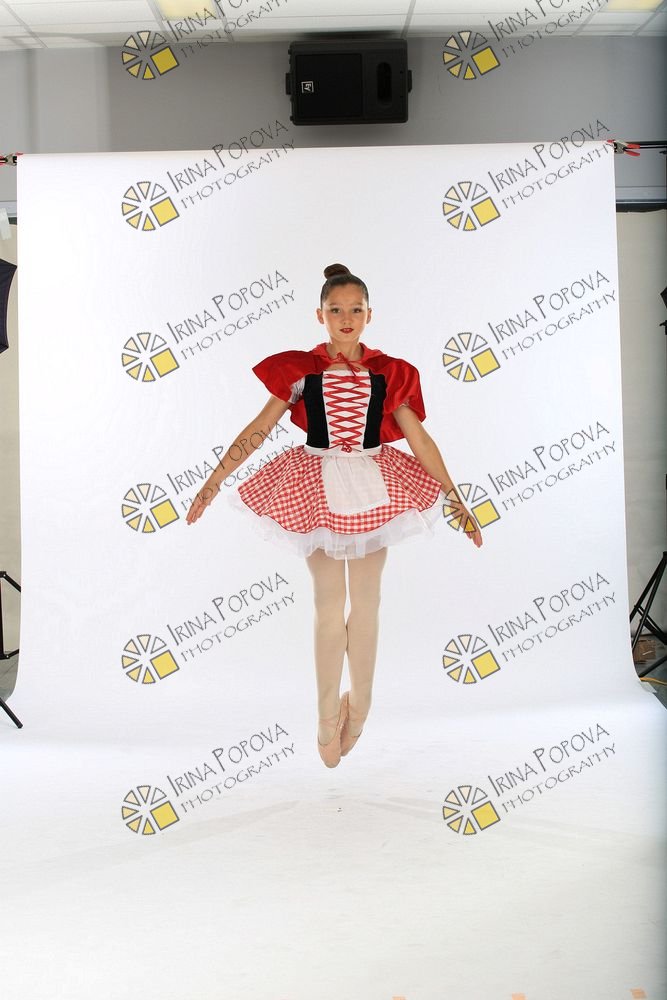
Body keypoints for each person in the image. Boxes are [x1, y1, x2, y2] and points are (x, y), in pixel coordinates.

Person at [186, 264, 483, 768]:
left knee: (366, 604)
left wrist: (457, 499)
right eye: (336, 309)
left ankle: (359, 709)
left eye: (356, 309)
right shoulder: (301, 370)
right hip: (315, 484)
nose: (346, 318)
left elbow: (420, 439)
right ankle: (326, 716)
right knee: (328, 605)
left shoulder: (390, 372)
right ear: (319, 315)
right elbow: (258, 429)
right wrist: (214, 482)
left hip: (374, 483)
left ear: (370, 315)